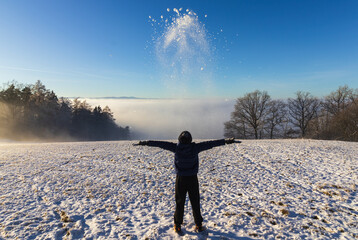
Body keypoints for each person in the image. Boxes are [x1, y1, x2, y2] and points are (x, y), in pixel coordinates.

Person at [134, 131, 237, 234]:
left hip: (181, 179)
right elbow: (211, 144)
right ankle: (198, 224)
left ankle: (177, 225)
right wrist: (226, 141)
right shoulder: (195, 147)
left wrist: (145, 142)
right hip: (192, 178)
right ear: (190, 140)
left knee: (180, 202)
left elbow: (159, 144)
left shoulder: (176, 147)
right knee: (195, 202)